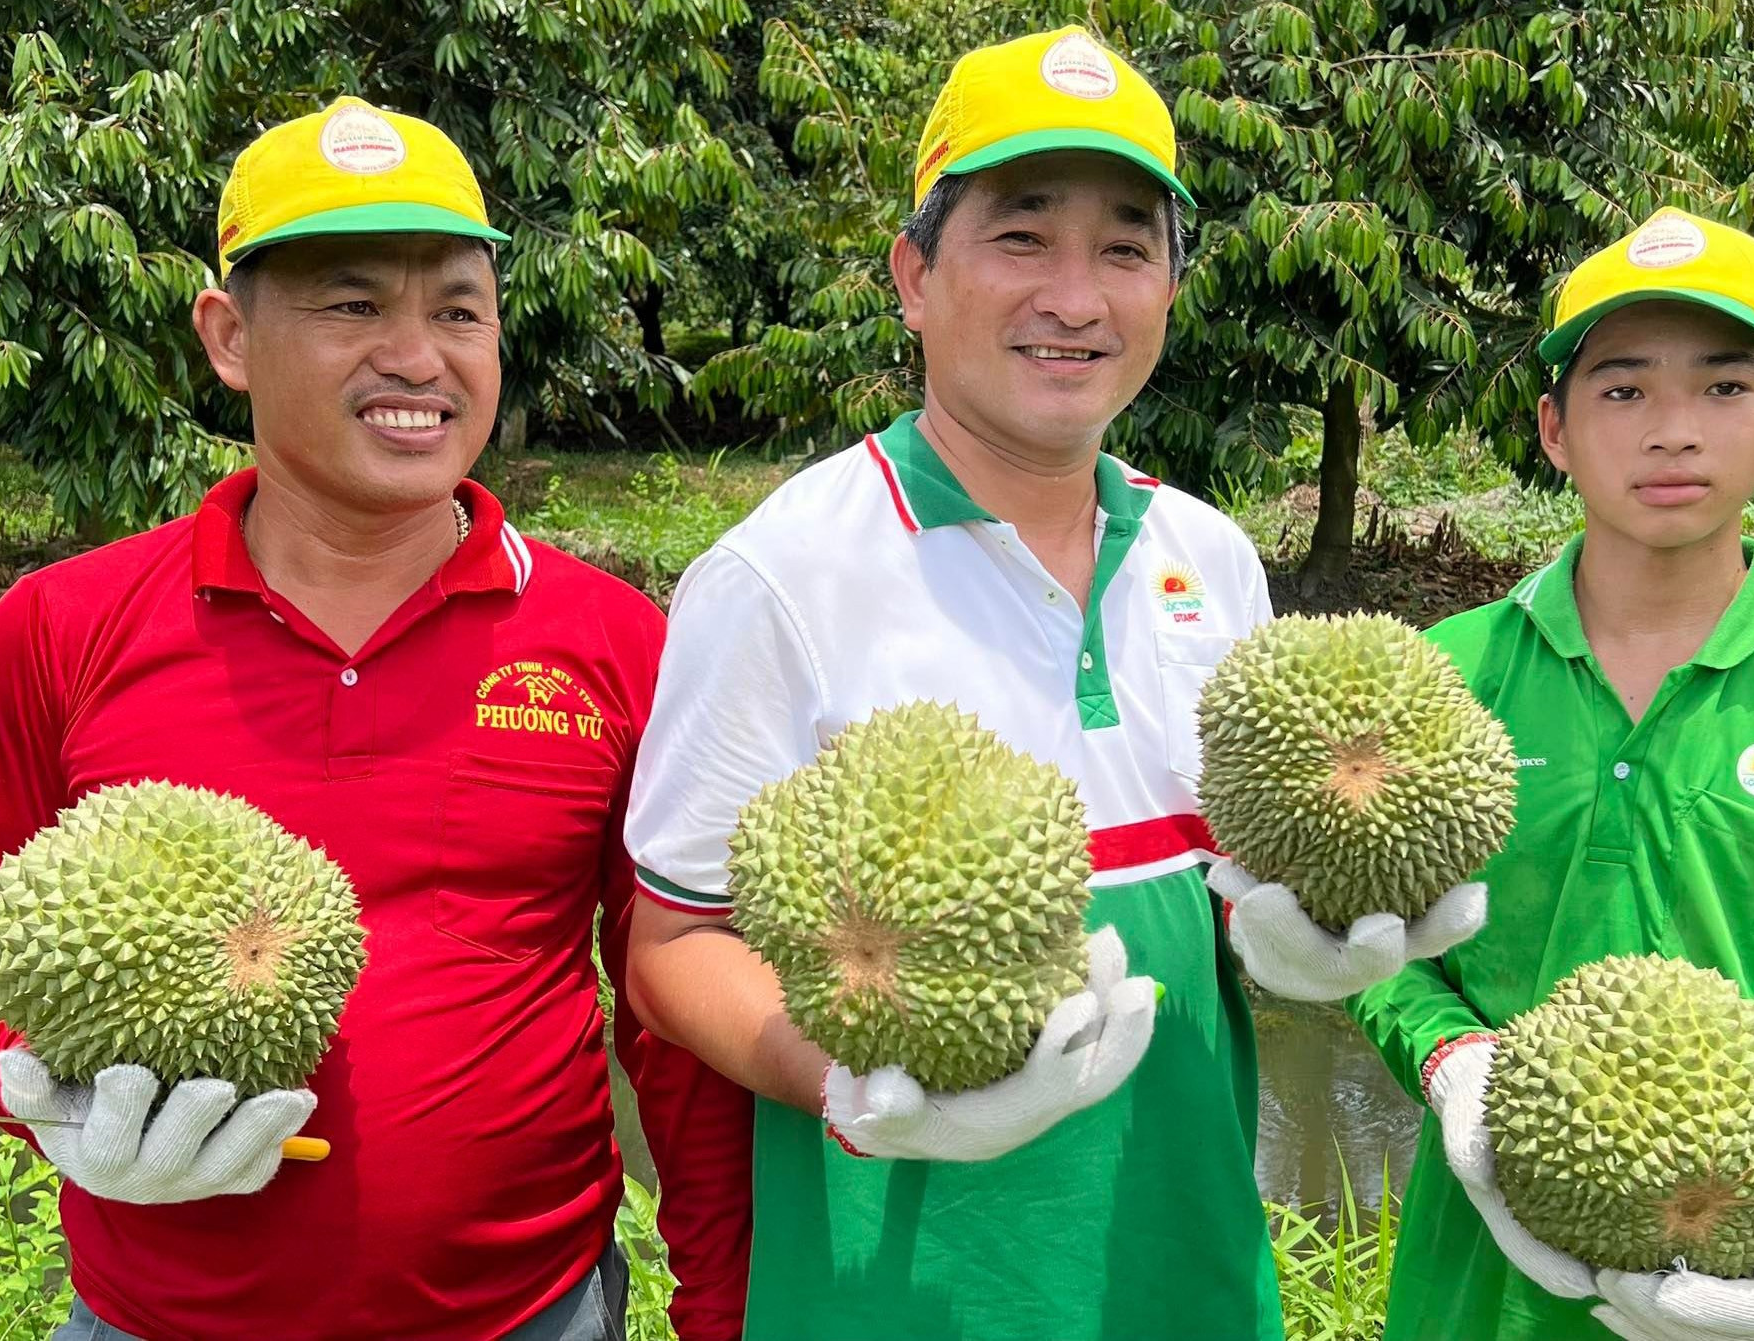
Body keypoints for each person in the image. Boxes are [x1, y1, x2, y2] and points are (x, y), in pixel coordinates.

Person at [621, 26, 1483, 1340]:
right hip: (904, 1292)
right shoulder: (782, 572)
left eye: (1126, 248)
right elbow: (674, 949)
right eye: (1022, 238)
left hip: (1183, 1265)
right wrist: (844, 1084)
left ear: (1168, 294)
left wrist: (1304, 941)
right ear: (915, 274)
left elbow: (1237, 894)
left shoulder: (1210, 556)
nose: (1076, 296)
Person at [0, 95, 752, 1341]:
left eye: (458, 311)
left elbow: (674, 1016)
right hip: (156, 1321)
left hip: (532, 1315)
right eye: (353, 304)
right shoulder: (59, 632)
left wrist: (724, 1309)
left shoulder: (613, 645)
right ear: (229, 335)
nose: (418, 357)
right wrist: (40, 1097)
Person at [1351, 207, 1754, 1341]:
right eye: (1621, 390)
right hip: (1477, 1290)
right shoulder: (1437, 679)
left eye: (1722, 388)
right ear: (1553, 429)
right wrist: (1448, 1058)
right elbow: (1372, 943)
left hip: (1742, 1284)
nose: (1671, 432)